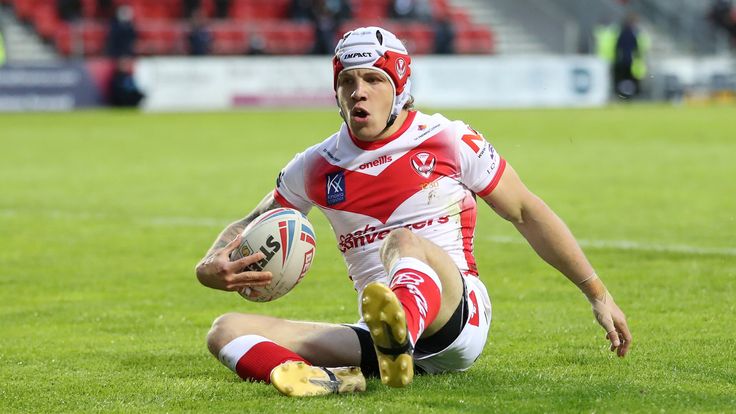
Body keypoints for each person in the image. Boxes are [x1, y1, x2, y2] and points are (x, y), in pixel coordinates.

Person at [195, 26, 633, 397]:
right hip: (379, 338)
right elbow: (251, 222)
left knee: (403, 243)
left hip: (455, 320)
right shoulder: (315, 165)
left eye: (373, 79)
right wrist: (210, 265)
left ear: (399, 87)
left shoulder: (449, 139)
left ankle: (399, 332)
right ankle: (329, 379)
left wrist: (597, 294)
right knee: (225, 329)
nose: (358, 92)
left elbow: (527, 213)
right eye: (347, 81)